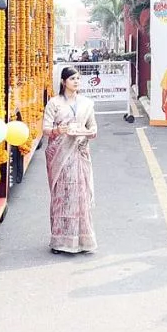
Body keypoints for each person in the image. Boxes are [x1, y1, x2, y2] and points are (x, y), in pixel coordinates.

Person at [42, 66, 99, 254]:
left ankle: (82, 241)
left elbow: (92, 127)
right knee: (62, 197)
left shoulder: (86, 103)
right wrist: (59, 130)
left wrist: (90, 133)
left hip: (79, 153)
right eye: (73, 78)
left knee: (81, 197)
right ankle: (59, 242)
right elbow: (46, 129)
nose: (76, 82)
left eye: (78, 79)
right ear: (63, 81)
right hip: (60, 155)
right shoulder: (54, 103)